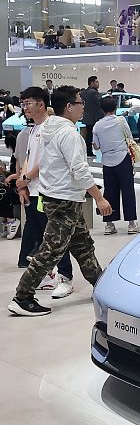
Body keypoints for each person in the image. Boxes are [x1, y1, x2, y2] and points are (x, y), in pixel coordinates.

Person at [7, 86, 113, 317]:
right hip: (64, 200)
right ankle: (22, 297)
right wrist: (99, 198)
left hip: (60, 198)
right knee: (51, 251)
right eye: (80, 102)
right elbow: (79, 170)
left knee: (83, 246)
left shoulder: (48, 129)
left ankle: (102, 287)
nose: (83, 106)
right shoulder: (69, 134)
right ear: (69, 107)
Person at [13, 87, 75, 291]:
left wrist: (26, 179)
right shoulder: (33, 129)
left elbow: (46, 160)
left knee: (56, 239)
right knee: (42, 238)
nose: (25, 107)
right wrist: (22, 183)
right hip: (32, 190)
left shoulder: (51, 127)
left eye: (28, 103)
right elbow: (28, 158)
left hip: (47, 190)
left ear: (41, 104)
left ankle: (65, 276)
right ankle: (50, 275)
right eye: (23, 104)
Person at [92, 96, 139, 236]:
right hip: (123, 158)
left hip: (107, 161)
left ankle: (109, 224)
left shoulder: (97, 125)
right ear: (115, 108)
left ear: (102, 109)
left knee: (109, 192)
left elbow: (96, 146)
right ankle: (131, 224)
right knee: (128, 191)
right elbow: (129, 137)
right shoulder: (121, 120)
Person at [80, 76, 103, 157]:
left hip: (87, 116)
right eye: (96, 82)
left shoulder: (83, 93)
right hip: (95, 117)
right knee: (94, 134)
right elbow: (100, 103)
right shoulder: (95, 93)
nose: (98, 83)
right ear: (92, 83)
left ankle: (88, 151)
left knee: (88, 134)